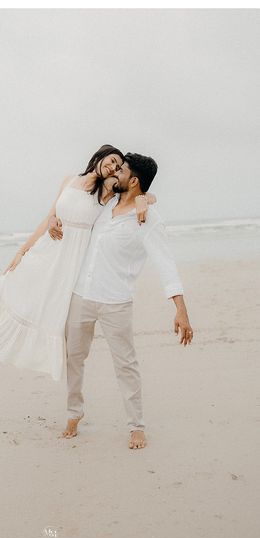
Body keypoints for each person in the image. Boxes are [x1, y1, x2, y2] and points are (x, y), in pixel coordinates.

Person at [0, 145, 156, 385]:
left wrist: (143, 201)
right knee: (3, 290)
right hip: (45, 252)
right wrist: (22, 251)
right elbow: (49, 217)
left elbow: (144, 194)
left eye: (117, 166)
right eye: (112, 160)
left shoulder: (108, 190)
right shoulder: (69, 180)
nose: (113, 167)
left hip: (68, 265)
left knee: (35, 314)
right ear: (101, 155)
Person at [57, 153, 193, 450]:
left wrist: (180, 309)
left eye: (121, 170)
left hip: (116, 302)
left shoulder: (149, 220)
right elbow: (74, 210)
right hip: (81, 295)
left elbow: (166, 264)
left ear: (134, 181)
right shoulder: (104, 205)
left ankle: (137, 426)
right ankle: (73, 414)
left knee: (125, 365)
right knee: (74, 359)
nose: (114, 172)